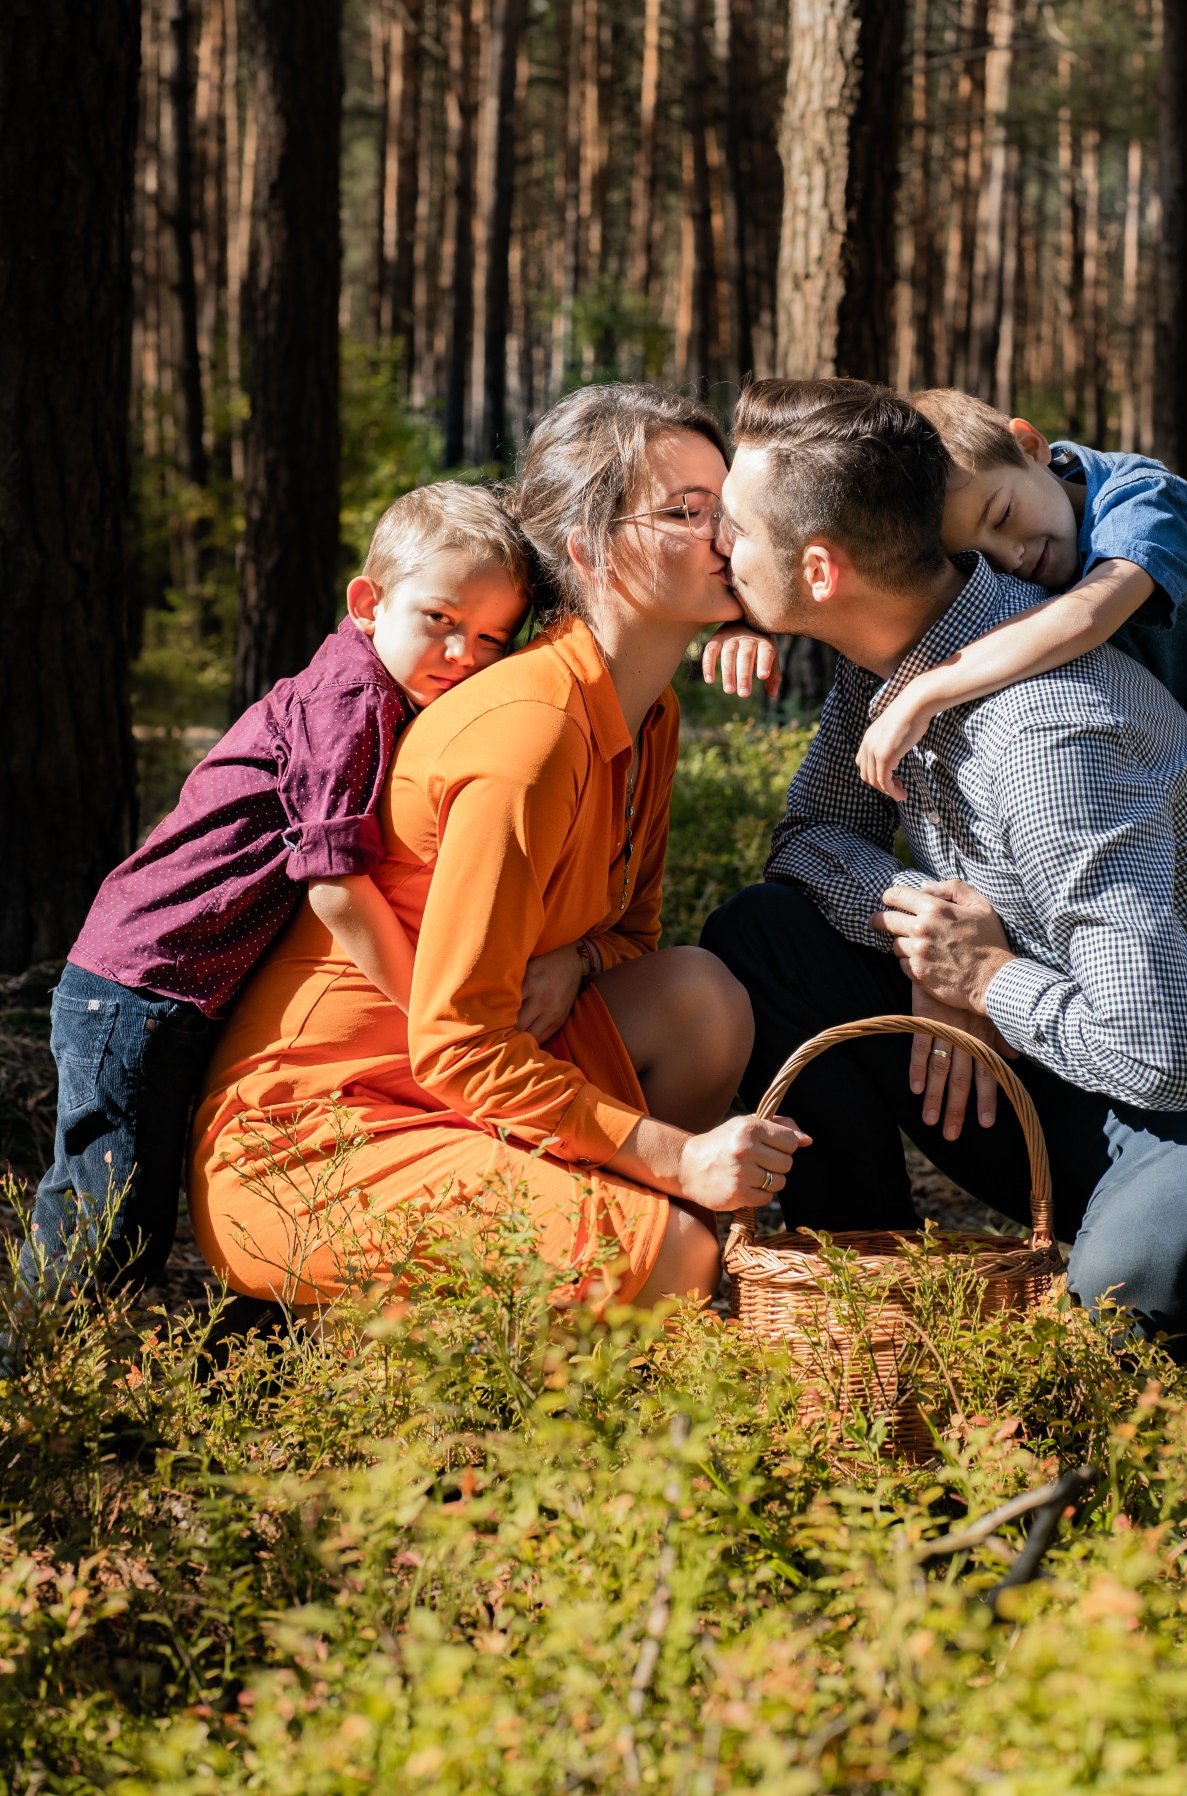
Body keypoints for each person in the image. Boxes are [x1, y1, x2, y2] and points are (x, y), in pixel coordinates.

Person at [702, 377, 1187, 1364]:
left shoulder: (1044, 733)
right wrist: (913, 917)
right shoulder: (880, 666)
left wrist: (988, 978)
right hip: (1081, 1067)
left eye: (733, 527)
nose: (716, 546)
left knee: (1144, 1275)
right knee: (764, 938)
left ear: (819, 569)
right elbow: (807, 841)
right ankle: (872, 1318)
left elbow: (1159, 1054)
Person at [189, 384, 804, 1315]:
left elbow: (634, 931)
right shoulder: (528, 733)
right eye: (687, 511)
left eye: (730, 509)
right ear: (587, 549)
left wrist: (580, 955)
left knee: (700, 1001)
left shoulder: (652, 710)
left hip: (462, 1081)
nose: (728, 535)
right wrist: (680, 1158)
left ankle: (563, 1266)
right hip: (318, 1136)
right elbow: (459, 1042)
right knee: (679, 1254)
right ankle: (512, 1317)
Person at [26, 483, 534, 1297]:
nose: (461, 654)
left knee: (143, 1197)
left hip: (182, 988)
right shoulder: (350, 701)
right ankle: (37, 1376)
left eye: (489, 638)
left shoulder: (386, 697)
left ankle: (118, 1368)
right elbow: (334, 886)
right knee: (108, 1208)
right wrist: (431, 1013)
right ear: (368, 603)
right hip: (137, 984)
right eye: (439, 620)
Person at [852, 388, 1187, 972]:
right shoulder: (1033, 521)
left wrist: (926, 689)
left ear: (1029, 446)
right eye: (976, 556)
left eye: (1001, 516)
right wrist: (747, 618)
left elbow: (1090, 612)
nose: (1011, 556)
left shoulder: (1144, 499)